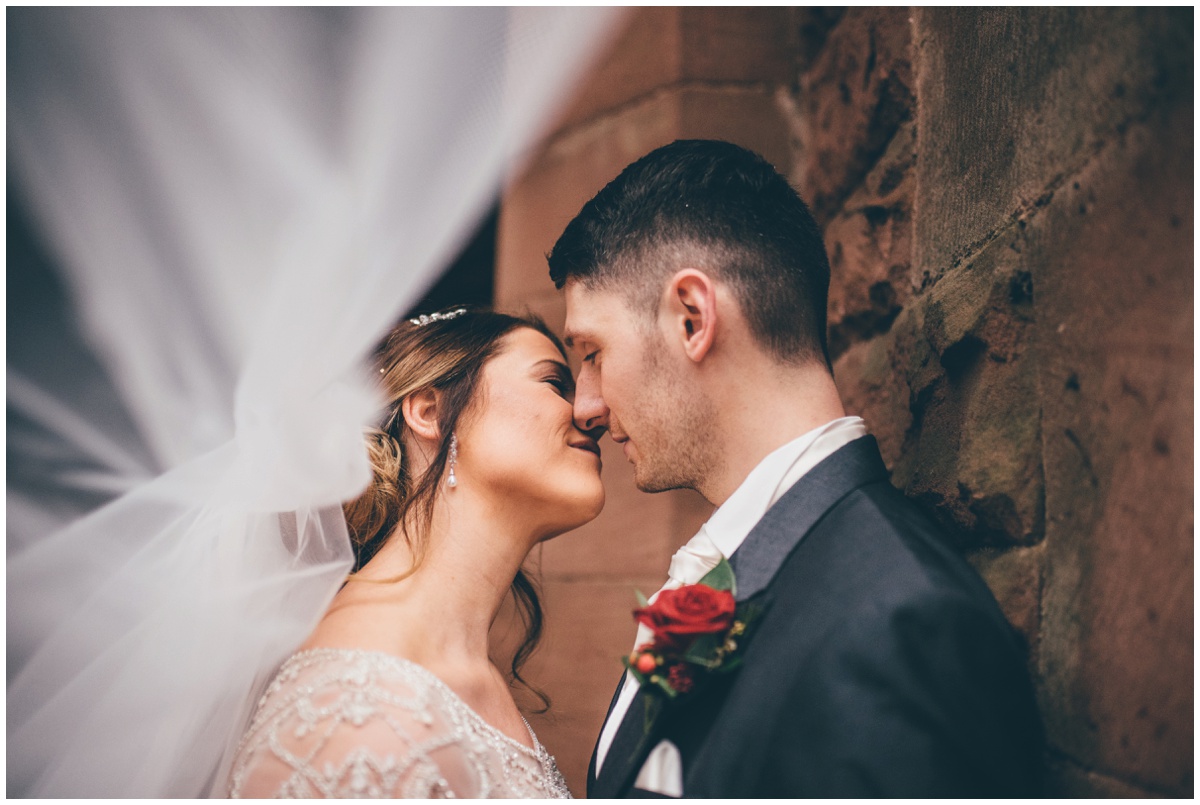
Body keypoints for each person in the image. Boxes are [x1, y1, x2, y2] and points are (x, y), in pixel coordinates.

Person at [548, 139, 1045, 797]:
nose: (585, 405)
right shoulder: (737, 573)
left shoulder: (900, 627)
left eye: (593, 351)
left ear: (692, 318)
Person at [227, 308, 604, 797]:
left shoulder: (471, 672)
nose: (589, 413)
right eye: (555, 383)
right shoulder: (353, 700)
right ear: (429, 411)